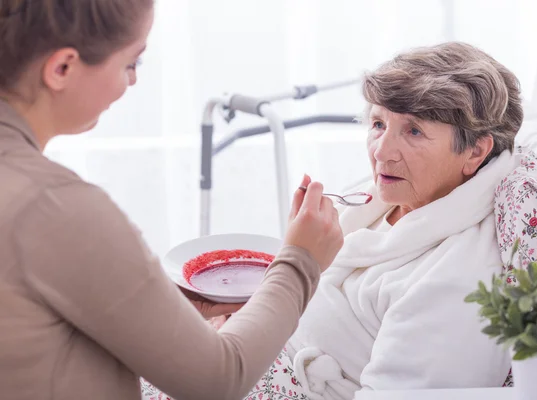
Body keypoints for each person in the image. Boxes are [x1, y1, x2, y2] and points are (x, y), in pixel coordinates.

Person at [0, 1, 343, 399]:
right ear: (62, 68)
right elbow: (218, 379)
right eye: (132, 64)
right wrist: (301, 261)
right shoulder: (57, 207)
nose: (132, 84)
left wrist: (145, 304)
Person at [277, 42, 526, 399]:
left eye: (413, 131)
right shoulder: (390, 195)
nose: (381, 151)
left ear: (475, 151)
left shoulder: (459, 280)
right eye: (378, 123)